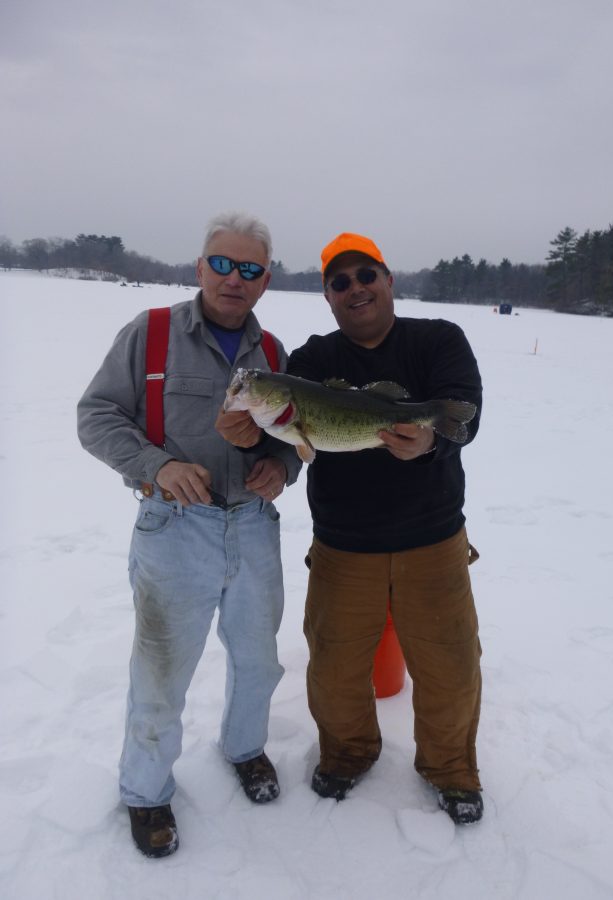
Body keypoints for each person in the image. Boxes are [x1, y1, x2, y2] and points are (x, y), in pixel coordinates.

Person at [77, 212, 301, 858]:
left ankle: (245, 749)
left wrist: (279, 467)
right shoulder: (149, 336)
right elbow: (95, 416)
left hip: (254, 528)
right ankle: (145, 793)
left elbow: (293, 437)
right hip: (174, 530)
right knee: (161, 672)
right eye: (223, 264)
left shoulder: (275, 355)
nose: (235, 279)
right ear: (201, 267)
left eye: (250, 269)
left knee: (259, 661)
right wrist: (158, 466)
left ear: (265, 280)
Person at [290, 232, 484, 824]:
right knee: (334, 666)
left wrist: (429, 441)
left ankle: (451, 770)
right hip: (344, 546)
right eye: (339, 282)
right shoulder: (312, 361)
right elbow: (288, 439)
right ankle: (347, 754)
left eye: (365, 275)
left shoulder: (439, 339)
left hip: (434, 540)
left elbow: (464, 416)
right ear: (327, 296)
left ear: (388, 279)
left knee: (450, 665)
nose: (356, 289)